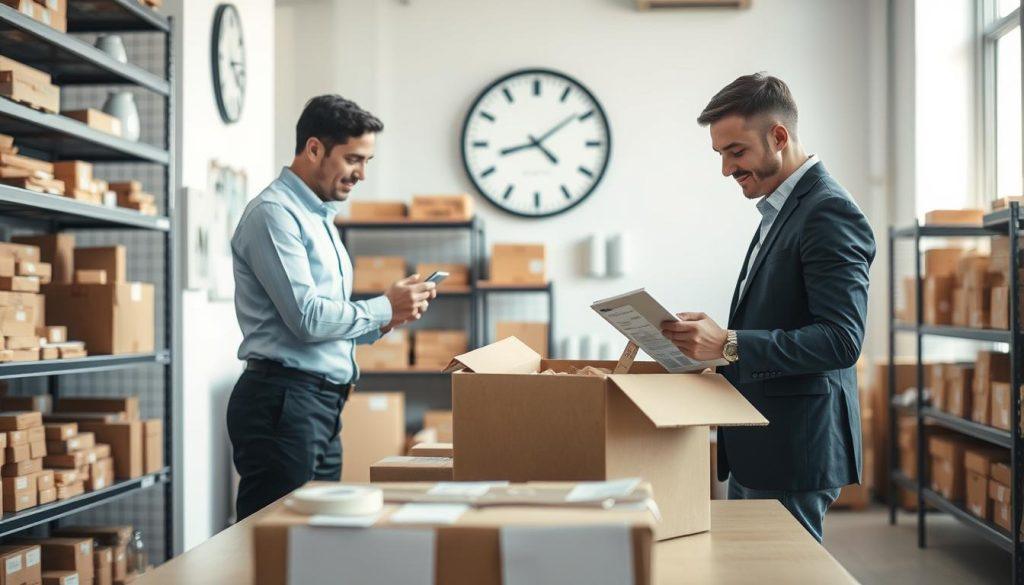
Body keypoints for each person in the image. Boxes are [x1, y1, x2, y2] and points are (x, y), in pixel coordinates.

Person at [660, 73, 875, 542]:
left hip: (795, 448)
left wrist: (730, 342)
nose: (726, 170)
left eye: (736, 152)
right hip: (762, 441)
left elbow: (842, 340)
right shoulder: (783, 209)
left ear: (778, 136)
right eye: (720, 155)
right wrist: (712, 346)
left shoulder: (827, 211)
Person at [226, 95, 436, 520]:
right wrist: (380, 307)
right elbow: (306, 318)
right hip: (284, 402)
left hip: (318, 405)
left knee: (313, 537)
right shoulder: (274, 215)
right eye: (353, 159)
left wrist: (386, 318)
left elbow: (324, 317)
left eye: (367, 161)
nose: (361, 174)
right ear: (314, 148)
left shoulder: (321, 218)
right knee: (276, 539)